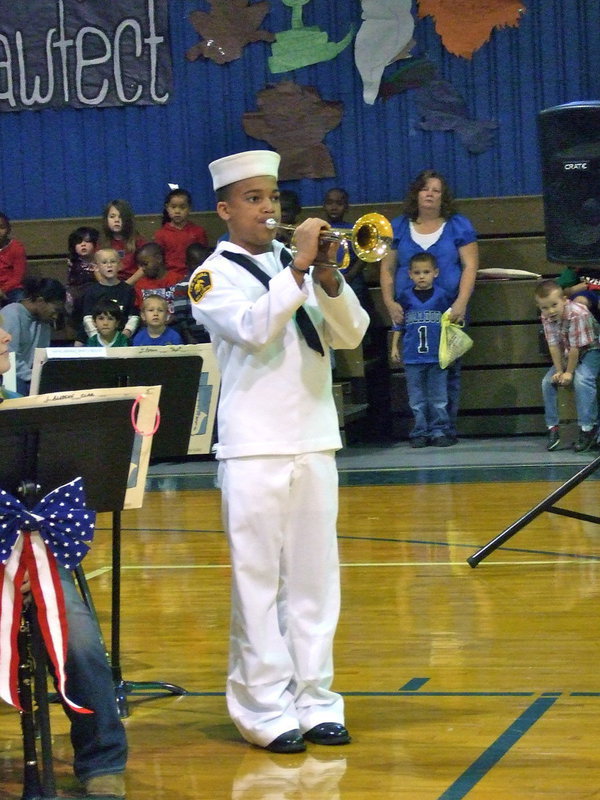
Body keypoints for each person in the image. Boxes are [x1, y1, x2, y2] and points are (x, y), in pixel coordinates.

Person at [189, 150, 369, 754]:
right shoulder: (211, 276)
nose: (269, 209)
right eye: (253, 199)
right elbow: (254, 328)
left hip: (315, 433)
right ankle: (263, 707)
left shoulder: (298, 267)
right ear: (224, 209)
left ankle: (316, 699)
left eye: (272, 198)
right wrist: (298, 271)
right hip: (254, 445)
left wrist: (330, 280)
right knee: (259, 582)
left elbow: (351, 335)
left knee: (317, 579)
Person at [0, 320, 128, 799]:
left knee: (79, 639)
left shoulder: (21, 410)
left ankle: (103, 759)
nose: (8, 337)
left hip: (29, 552)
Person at [380, 169, 479, 444]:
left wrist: (461, 302)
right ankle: (421, 429)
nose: (430, 194)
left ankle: (445, 429)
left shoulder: (458, 225)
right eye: (425, 189)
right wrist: (389, 302)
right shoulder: (398, 227)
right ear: (416, 193)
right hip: (410, 313)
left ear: (443, 196)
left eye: (436, 190)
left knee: (448, 371)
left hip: (449, 312)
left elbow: (470, 266)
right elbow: (387, 268)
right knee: (415, 375)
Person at [390, 252, 454, 447]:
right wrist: (394, 346)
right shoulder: (405, 297)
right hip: (413, 357)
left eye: (426, 272)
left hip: (437, 356)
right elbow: (398, 324)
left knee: (438, 398)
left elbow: (452, 325)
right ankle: (420, 432)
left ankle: (439, 431)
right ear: (410, 274)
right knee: (417, 399)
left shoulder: (443, 296)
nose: (422, 276)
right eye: (417, 272)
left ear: (435, 273)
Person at [535, 279, 600, 452]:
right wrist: (558, 371)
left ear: (564, 299)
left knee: (582, 379)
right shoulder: (546, 316)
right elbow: (553, 345)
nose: (550, 311)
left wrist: (569, 373)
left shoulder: (578, 314)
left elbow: (575, 349)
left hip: (591, 349)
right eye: (545, 307)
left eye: (554, 305)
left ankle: (589, 428)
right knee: (547, 382)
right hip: (568, 351)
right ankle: (553, 428)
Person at [1, 277, 65, 395]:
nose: (55, 316)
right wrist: (35, 378)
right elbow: (9, 359)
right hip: (8, 376)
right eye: (55, 310)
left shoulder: (43, 322)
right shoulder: (11, 314)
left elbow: (40, 358)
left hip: (28, 376)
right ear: (40, 301)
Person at [77, 249, 139, 346]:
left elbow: (134, 317)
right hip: (96, 339)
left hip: (122, 341)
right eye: (104, 262)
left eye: (113, 262)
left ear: (120, 265)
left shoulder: (128, 290)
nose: (109, 265)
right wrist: (96, 338)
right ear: (96, 267)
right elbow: (88, 318)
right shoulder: (91, 291)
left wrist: (123, 336)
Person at [154, 188, 209, 280]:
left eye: (182, 207)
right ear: (167, 208)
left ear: (189, 208)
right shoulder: (160, 234)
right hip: (169, 277)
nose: (177, 211)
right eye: (173, 207)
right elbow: (159, 262)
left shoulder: (198, 231)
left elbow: (204, 259)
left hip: (194, 276)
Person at [171, 243, 213, 343]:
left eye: (203, 263)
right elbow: (180, 314)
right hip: (194, 334)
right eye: (196, 264)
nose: (200, 267)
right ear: (187, 264)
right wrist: (188, 335)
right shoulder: (183, 285)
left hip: (214, 333)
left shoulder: (215, 282)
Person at [101, 199, 147, 282]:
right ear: (106, 220)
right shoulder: (102, 242)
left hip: (133, 282)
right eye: (112, 216)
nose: (116, 220)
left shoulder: (138, 240)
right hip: (110, 284)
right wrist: (106, 285)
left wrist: (126, 285)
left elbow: (144, 267)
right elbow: (96, 268)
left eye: (121, 217)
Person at [131, 242, 179, 316]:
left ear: (159, 259)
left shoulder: (178, 280)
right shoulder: (140, 285)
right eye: (140, 265)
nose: (142, 269)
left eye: (145, 264)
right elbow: (140, 313)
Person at [0, 212, 27, 306]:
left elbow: (17, 277)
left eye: (2, 228)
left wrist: (3, 290)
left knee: (20, 298)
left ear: (8, 229)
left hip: (11, 289)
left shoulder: (16, 247)